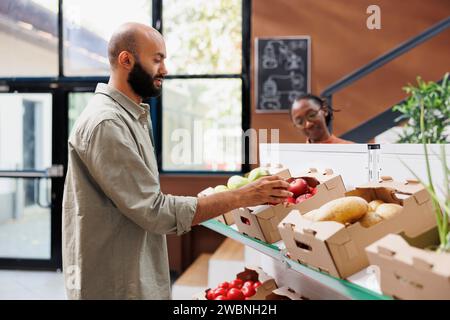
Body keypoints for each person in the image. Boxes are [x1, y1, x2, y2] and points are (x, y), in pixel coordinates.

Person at [62, 23, 292, 300]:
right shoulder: (108, 123)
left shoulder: (129, 117)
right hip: (117, 285)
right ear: (126, 60)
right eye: (157, 59)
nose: (165, 69)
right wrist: (241, 196)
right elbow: (155, 211)